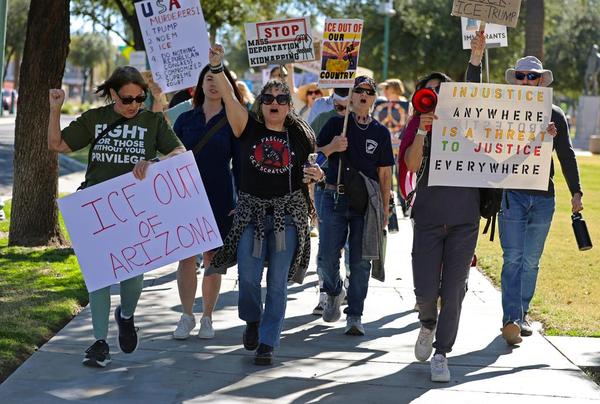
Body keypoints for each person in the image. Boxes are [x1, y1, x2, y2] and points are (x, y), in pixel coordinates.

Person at [47, 66, 185, 368]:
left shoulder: (151, 122)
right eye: (127, 99)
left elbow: (179, 152)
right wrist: (55, 108)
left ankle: (126, 315)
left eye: (139, 98)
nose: (134, 105)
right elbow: (57, 145)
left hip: (135, 212)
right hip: (96, 210)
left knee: (133, 278)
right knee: (98, 278)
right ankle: (99, 343)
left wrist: (154, 161)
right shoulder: (95, 119)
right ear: (112, 94)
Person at [206, 44, 323, 365]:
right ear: (261, 103)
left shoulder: (300, 136)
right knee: (247, 278)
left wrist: (317, 174)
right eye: (268, 98)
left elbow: (313, 168)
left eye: (282, 99)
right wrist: (216, 67)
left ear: (289, 106)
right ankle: (253, 320)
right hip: (251, 216)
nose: (274, 103)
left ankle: (268, 342)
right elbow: (229, 97)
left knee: (277, 284)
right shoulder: (247, 128)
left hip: (288, 218)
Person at [467, 33, 584, 345]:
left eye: (532, 76)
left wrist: (576, 191)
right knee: (513, 258)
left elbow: (567, 155)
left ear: (541, 81)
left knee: (531, 260)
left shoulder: (555, 114)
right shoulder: (503, 108)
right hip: (512, 195)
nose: (526, 80)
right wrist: (476, 60)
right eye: (521, 76)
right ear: (515, 79)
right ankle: (511, 319)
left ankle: (522, 313)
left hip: (544, 197)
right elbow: (471, 100)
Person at [169, 64, 242, 340]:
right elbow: (169, 155)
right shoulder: (185, 119)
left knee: (213, 258)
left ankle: (207, 318)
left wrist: (240, 199)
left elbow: (241, 165)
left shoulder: (233, 120)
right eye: (208, 78)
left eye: (218, 79)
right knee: (186, 256)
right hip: (186, 196)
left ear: (227, 87)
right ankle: (186, 316)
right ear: (200, 84)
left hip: (220, 194)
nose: (213, 84)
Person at [317, 76, 394, 336]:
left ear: (374, 98)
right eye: (358, 90)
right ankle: (334, 290)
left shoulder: (380, 133)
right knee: (326, 256)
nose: (363, 94)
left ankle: (355, 314)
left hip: (366, 203)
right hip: (334, 197)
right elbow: (314, 156)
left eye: (369, 91)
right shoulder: (335, 124)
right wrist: (332, 147)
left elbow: (385, 175)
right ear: (350, 96)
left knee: (361, 262)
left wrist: (384, 210)